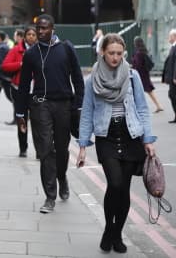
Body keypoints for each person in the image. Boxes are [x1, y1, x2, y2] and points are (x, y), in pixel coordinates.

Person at [76, 33, 156, 253]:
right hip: (107, 136)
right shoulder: (92, 79)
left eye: (119, 54)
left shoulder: (132, 77)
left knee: (125, 189)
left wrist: (147, 139)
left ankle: (116, 233)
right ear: (102, 52)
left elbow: (142, 109)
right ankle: (108, 230)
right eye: (111, 53)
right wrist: (82, 146)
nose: (115, 57)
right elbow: (87, 113)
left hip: (131, 135)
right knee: (115, 184)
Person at [15, 14, 84, 213]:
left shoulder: (66, 48)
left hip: (64, 105)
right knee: (45, 150)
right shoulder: (31, 54)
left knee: (62, 149)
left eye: (44, 28)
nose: (40, 32)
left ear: (52, 28)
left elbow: (78, 79)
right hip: (40, 105)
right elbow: (24, 85)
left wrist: (78, 105)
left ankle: (61, 177)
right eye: (38, 29)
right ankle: (50, 197)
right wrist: (21, 112)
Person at [1, 26, 37, 157]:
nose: (31, 37)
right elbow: (5, 66)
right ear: (25, 37)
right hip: (19, 90)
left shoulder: (41, 50)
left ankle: (40, 150)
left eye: (34, 34)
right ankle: (23, 149)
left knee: (38, 121)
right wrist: (21, 64)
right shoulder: (16, 50)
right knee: (22, 120)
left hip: (36, 92)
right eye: (29, 34)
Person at [131, 36, 163, 113]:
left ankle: (137, 108)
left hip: (140, 75)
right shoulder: (143, 51)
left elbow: (138, 65)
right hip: (145, 74)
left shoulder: (138, 53)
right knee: (149, 91)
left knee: (135, 91)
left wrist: (132, 66)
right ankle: (159, 106)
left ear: (136, 43)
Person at [163, 29, 176, 123]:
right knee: (172, 95)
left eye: (170, 36)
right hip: (172, 77)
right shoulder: (173, 46)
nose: (169, 38)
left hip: (174, 78)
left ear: (174, 36)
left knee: (172, 95)